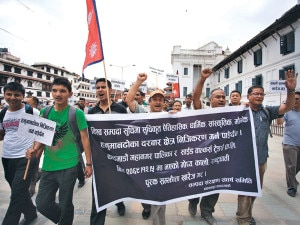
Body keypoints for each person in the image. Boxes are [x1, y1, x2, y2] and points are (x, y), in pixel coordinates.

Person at [25, 77, 93, 225]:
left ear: (70, 93)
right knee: (42, 203)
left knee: (65, 203)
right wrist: (34, 150)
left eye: (62, 91)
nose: (58, 94)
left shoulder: (76, 113)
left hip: (69, 166)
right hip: (49, 166)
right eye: (55, 90)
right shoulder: (45, 111)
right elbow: (42, 137)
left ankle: (65, 219)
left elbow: (85, 139)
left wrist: (88, 163)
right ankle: (64, 219)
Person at [234, 70, 298, 225]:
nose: (259, 96)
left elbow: (288, 106)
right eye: (255, 93)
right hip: (243, 160)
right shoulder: (239, 112)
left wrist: (290, 90)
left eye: (261, 94)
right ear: (248, 97)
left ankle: (247, 213)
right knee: (244, 191)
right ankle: (243, 219)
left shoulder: (268, 112)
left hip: (261, 159)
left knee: (255, 190)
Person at [126, 73, 166, 225]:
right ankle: (146, 207)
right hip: (144, 162)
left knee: (160, 198)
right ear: (149, 102)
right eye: (154, 99)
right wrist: (139, 81)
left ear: (164, 103)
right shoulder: (143, 113)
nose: (157, 102)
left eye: (160, 100)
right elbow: (129, 100)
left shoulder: (169, 116)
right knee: (143, 191)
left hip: (162, 164)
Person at [88, 78, 127, 225]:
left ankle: (120, 202)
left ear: (110, 90)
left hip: (118, 159)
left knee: (118, 187)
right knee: (98, 198)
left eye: (103, 87)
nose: (100, 90)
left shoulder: (120, 110)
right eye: (97, 87)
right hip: (100, 161)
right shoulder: (92, 112)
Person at [188, 68, 224, 225]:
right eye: (218, 97)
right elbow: (196, 98)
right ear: (211, 100)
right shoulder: (204, 111)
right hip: (200, 158)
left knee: (215, 185)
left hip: (220, 159)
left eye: (223, 97)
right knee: (197, 183)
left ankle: (207, 212)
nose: (221, 99)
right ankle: (193, 200)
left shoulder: (233, 115)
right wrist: (202, 79)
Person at [0, 82, 39, 225]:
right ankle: (30, 212)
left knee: (16, 195)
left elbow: (42, 134)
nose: (13, 97)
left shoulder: (32, 112)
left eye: (17, 95)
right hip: (7, 157)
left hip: (26, 158)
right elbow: (2, 134)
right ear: (4, 95)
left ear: (22, 96)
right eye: (9, 94)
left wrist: (35, 150)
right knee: (19, 191)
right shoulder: (3, 113)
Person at [277, 90, 300, 197]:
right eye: (293, 99)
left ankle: (292, 180)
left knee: (296, 166)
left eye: (297, 99)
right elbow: (279, 122)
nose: (295, 101)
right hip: (289, 144)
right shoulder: (288, 111)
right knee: (291, 166)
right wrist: (281, 110)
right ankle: (292, 188)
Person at [23, 96, 42, 197]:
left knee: (33, 164)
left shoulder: (37, 113)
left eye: (27, 103)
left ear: (34, 105)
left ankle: (32, 185)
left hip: (35, 144)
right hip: (24, 145)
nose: (25, 105)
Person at [73, 102, 86, 188]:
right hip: (69, 144)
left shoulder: (82, 119)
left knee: (77, 161)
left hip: (79, 143)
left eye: (76, 109)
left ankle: (81, 178)